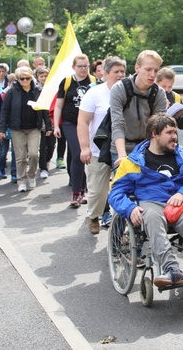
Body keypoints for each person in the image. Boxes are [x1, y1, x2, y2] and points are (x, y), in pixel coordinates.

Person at [108, 113, 183, 296]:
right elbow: (115, 193)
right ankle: (171, 270)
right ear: (155, 134)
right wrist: (129, 209)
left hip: (180, 205)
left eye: (175, 132)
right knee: (152, 217)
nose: (174, 137)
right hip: (151, 203)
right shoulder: (133, 162)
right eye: (169, 133)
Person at [77, 56, 127, 234]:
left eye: (123, 71)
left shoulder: (129, 93)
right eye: (116, 72)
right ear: (105, 74)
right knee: (98, 192)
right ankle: (93, 215)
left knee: (124, 191)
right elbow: (83, 122)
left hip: (122, 153)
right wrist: (85, 148)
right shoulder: (95, 93)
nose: (120, 75)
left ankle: (121, 231)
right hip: (98, 151)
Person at [110, 50, 168, 167]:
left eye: (156, 71)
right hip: (123, 147)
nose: (152, 74)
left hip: (148, 148)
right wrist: (122, 155)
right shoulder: (119, 88)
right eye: (148, 69)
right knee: (125, 184)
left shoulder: (159, 93)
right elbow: (117, 124)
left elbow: (160, 126)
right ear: (137, 68)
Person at [0, 66, 51, 192]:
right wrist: (2, 129)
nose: (25, 81)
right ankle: (21, 180)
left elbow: (44, 109)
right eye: (22, 79)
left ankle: (31, 175)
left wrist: (48, 126)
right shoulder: (12, 92)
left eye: (27, 78)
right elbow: (5, 111)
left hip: (34, 127)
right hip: (17, 128)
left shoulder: (38, 90)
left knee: (34, 154)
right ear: (18, 79)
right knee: (21, 156)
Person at [53, 54, 96, 207]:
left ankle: (84, 190)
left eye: (86, 66)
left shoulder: (94, 82)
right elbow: (59, 105)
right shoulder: (67, 82)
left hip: (88, 124)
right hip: (70, 123)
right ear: (73, 67)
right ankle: (76, 192)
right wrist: (56, 125)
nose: (83, 69)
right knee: (78, 154)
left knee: (86, 156)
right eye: (80, 66)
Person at [34, 66, 55, 180]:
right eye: (41, 76)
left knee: (51, 145)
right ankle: (43, 168)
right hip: (41, 122)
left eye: (45, 76)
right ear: (37, 78)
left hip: (52, 121)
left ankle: (47, 160)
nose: (43, 78)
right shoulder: (36, 90)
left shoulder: (53, 89)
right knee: (42, 146)